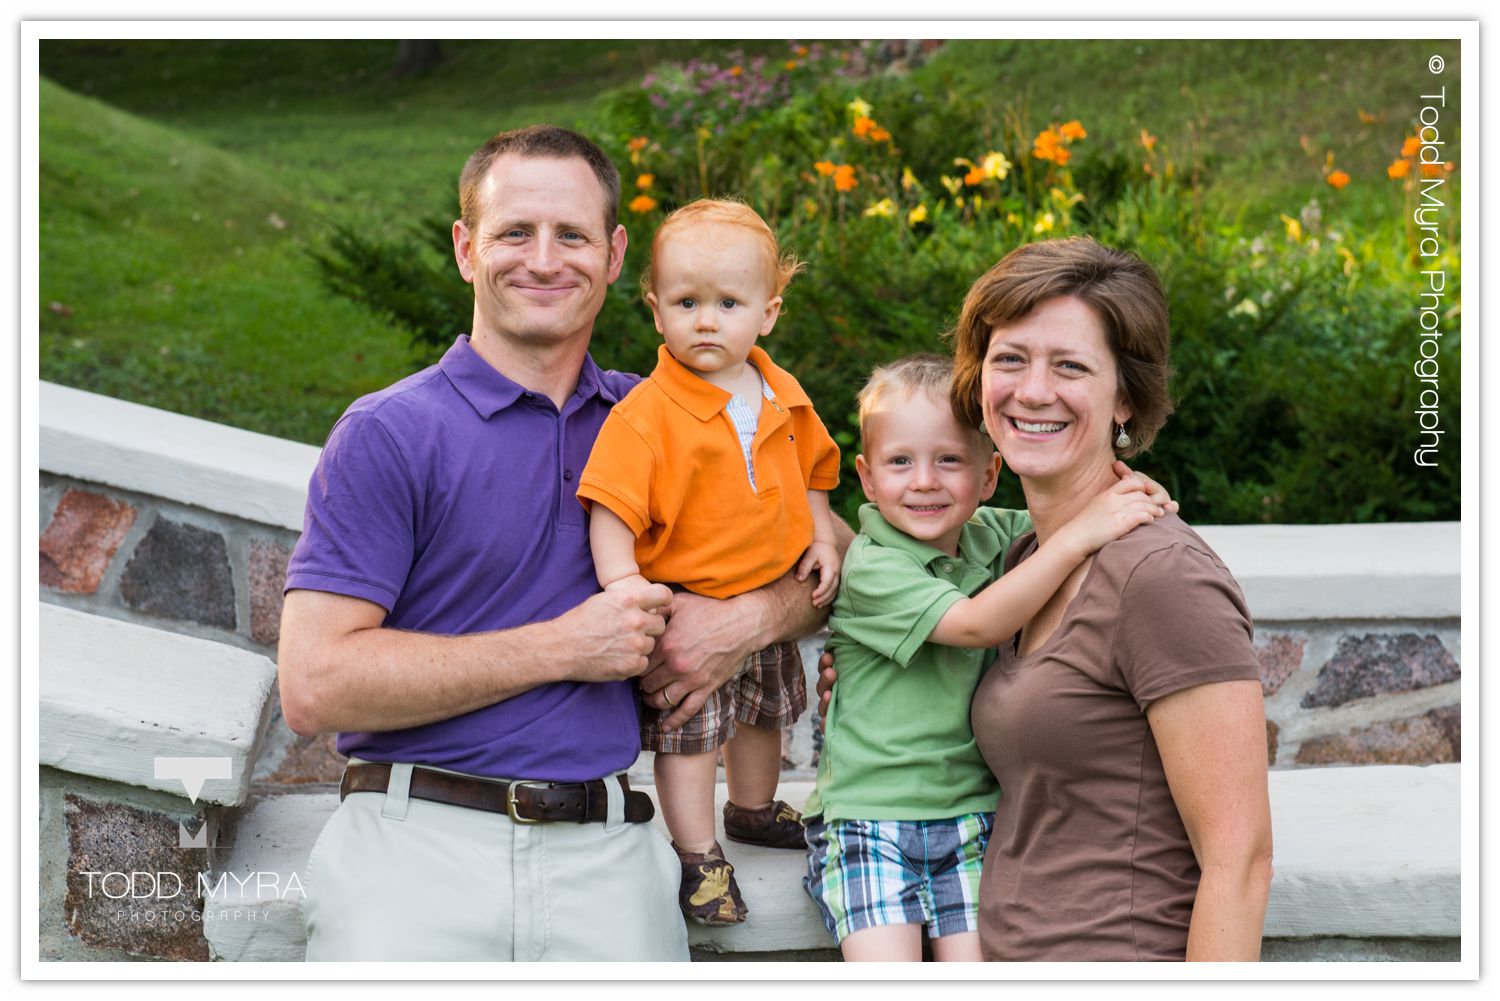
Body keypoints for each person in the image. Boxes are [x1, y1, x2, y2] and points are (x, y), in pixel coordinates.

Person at [276, 125, 833, 962]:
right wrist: (566, 646)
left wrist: (744, 622)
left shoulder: (670, 419)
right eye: (514, 232)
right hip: (413, 847)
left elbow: (828, 555)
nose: (543, 260)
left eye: (571, 234)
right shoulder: (390, 432)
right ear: (466, 249)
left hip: (610, 852)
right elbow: (315, 684)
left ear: (614, 257)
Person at [818, 236, 1273, 962]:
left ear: (1125, 397)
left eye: (1070, 366)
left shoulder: (1162, 576)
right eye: (1009, 359)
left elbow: (1240, 859)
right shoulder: (1014, 555)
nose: (1032, 391)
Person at [802, 353, 1173, 962]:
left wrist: (1129, 489)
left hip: (973, 818)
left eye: (950, 460)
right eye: (900, 462)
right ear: (866, 478)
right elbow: (976, 624)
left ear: (989, 474)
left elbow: (1076, 512)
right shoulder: (873, 566)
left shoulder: (992, 536)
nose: (925, 481)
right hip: (870, 818)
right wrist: (1083, 533)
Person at [578, 199, 841, 927]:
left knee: (765, 713)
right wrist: (625, 586)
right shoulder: (648, 414)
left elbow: (815, 472)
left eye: (728, 304)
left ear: (768, 313)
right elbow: (611, 508)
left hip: (768, 594)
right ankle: (697, 853)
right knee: (692, 731)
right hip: (688, 602)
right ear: (656, 310)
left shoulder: (783, 394)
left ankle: (752, 808)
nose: (706, 321)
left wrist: (822, 538)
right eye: (686, 303)